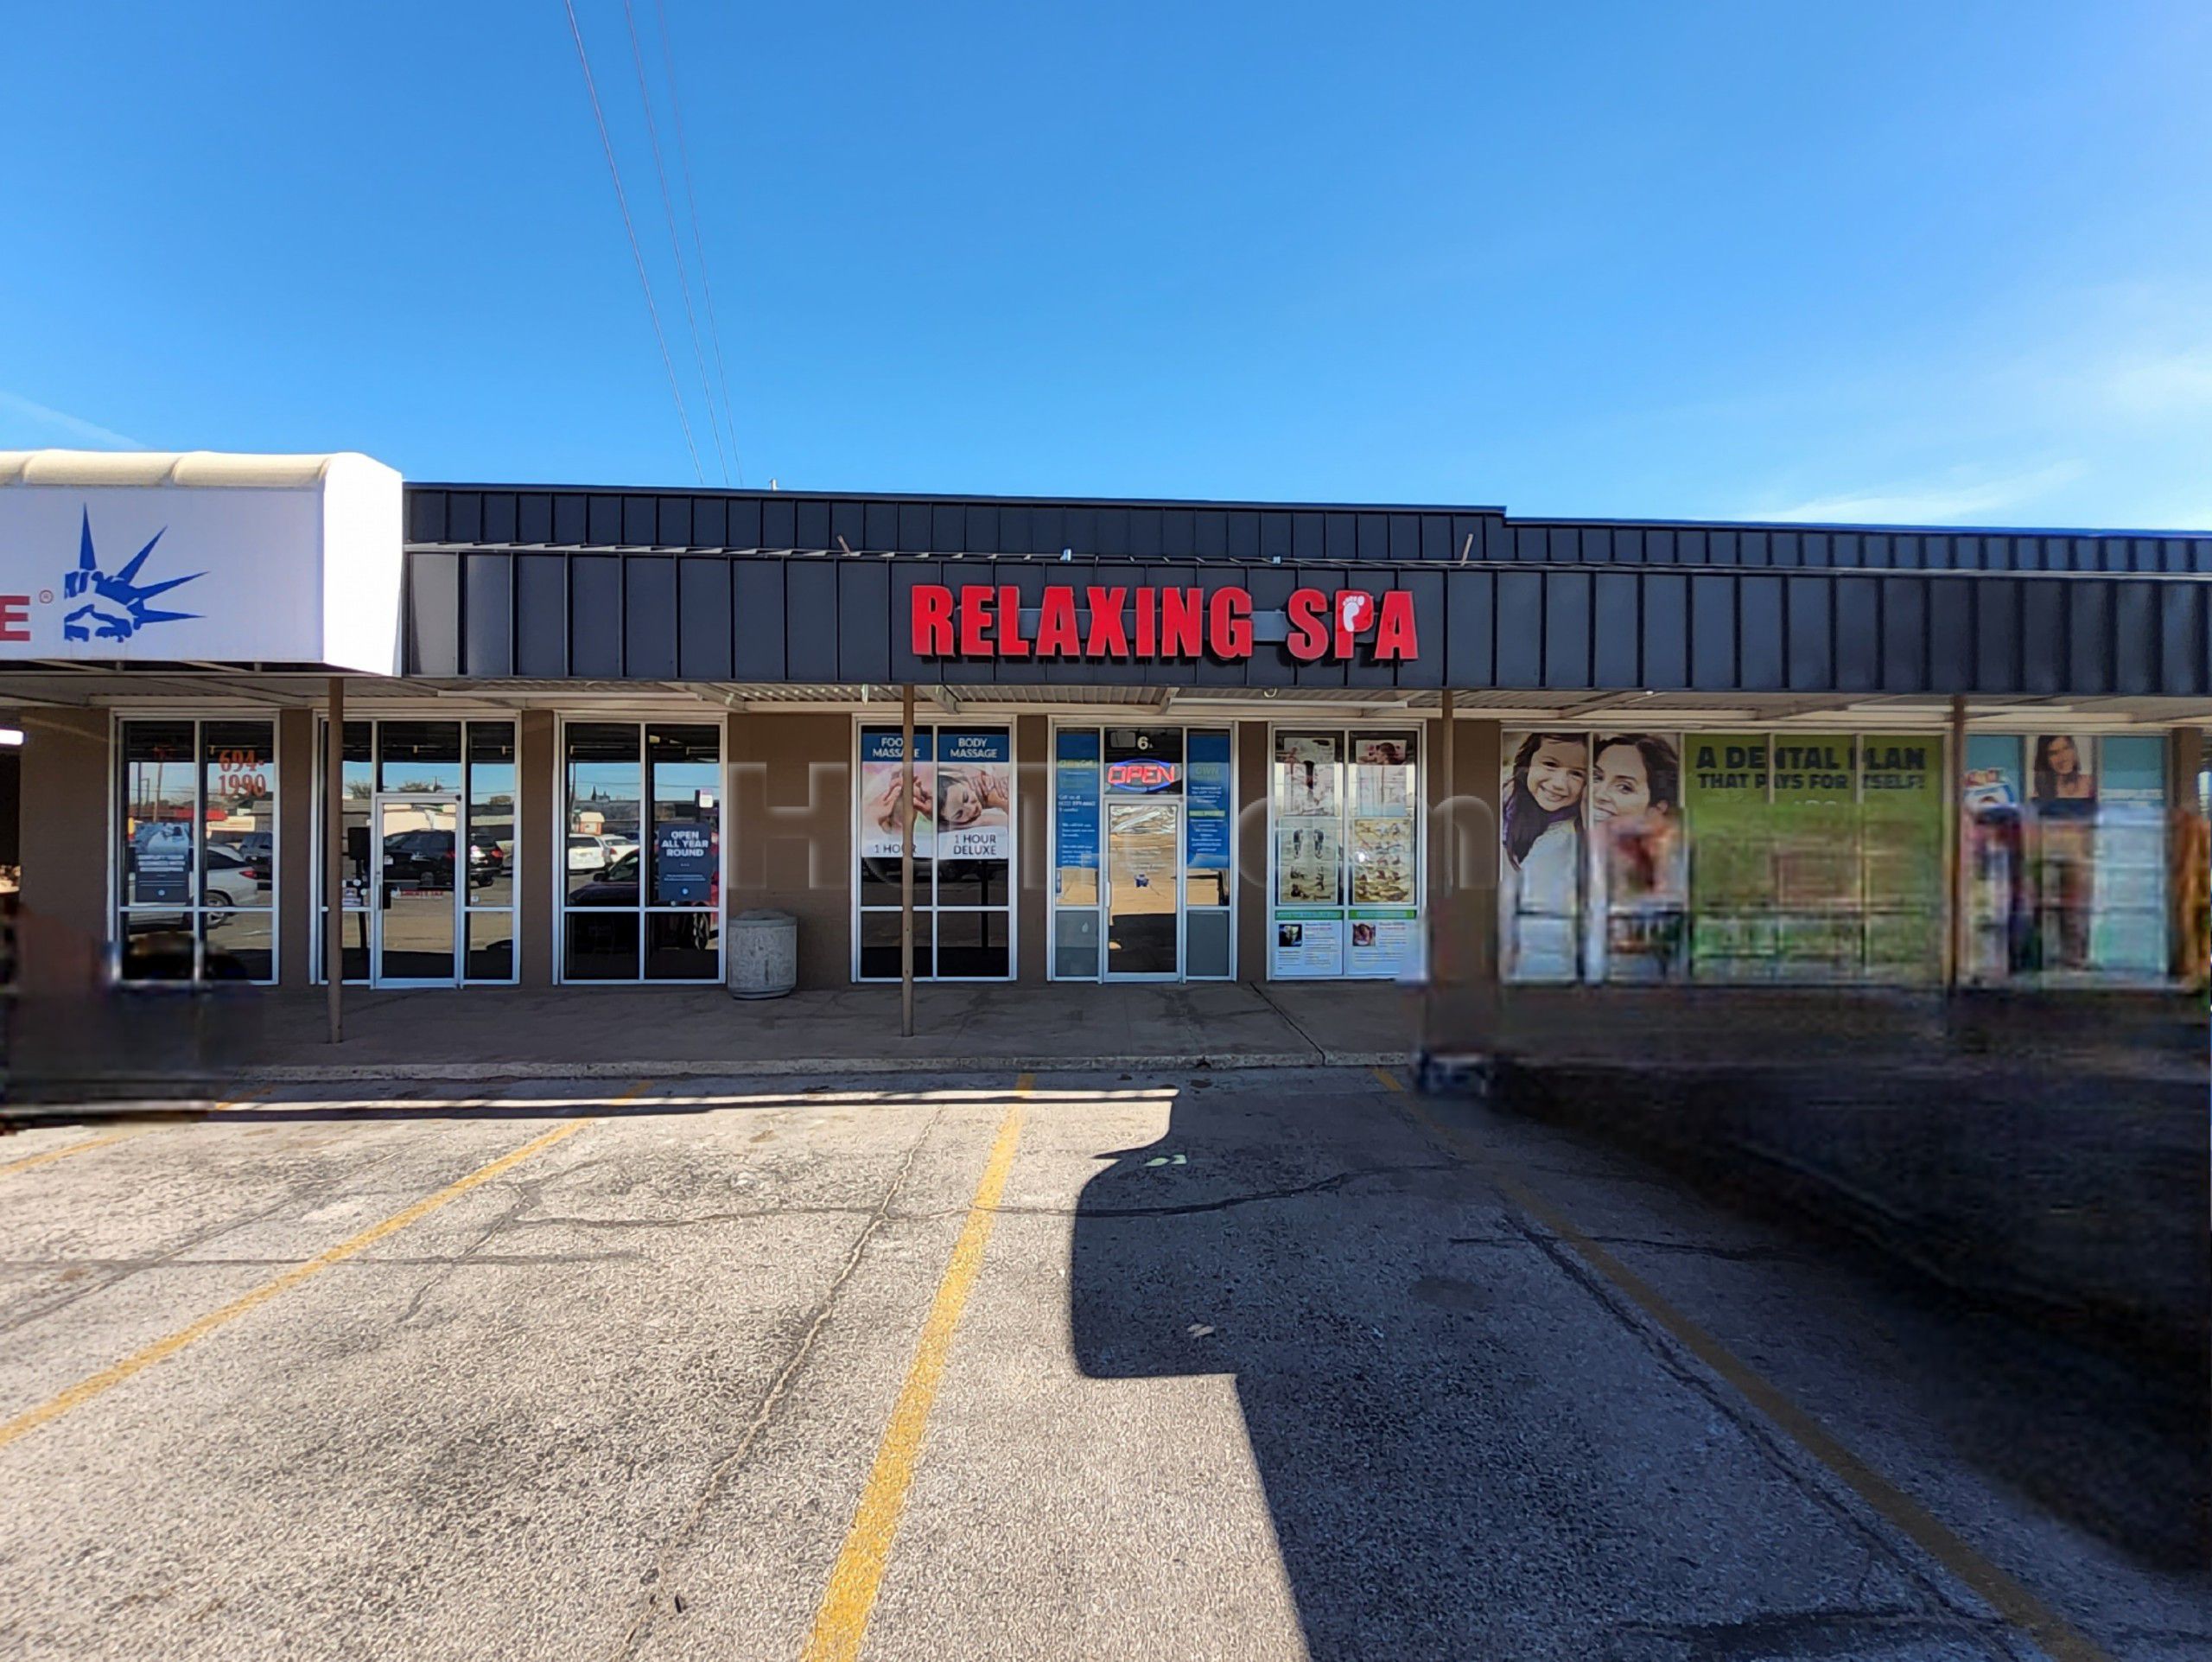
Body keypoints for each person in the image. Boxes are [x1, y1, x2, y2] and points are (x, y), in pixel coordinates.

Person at [1589, 734, 1685, 980]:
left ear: (1658, 807)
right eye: (1597, 779)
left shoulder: (1670, 854)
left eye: (1623, 787)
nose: (1600, 795)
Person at [1500, 733, 1586, 978]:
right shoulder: (1501, 800)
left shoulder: (1573, 832)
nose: (1560, 783)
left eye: (1577, 774)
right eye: (1550, 764)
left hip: (1547, 957)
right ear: (1527, 762)